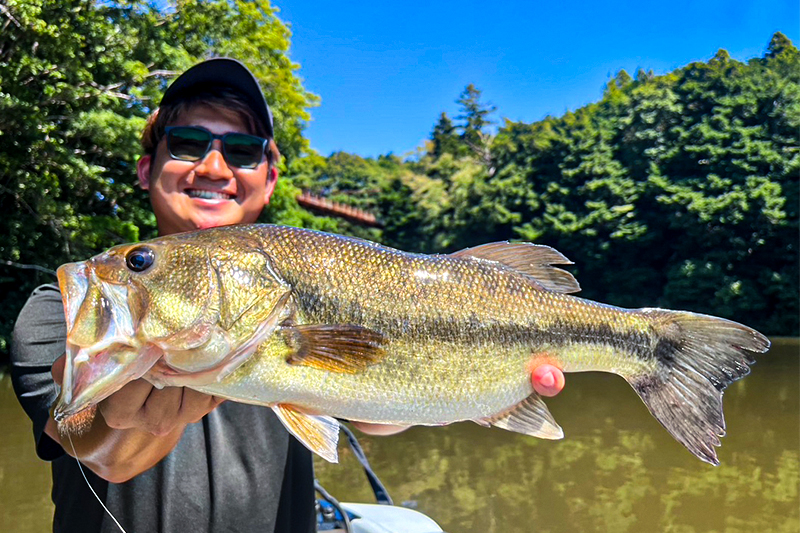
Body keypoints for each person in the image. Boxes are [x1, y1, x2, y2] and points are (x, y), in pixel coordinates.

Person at [11, 57, 565, 533]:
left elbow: (376, 414)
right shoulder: (63, 308)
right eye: (186, 144)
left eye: (244, 151)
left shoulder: (315, 284)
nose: (213, 166)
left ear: (270, 179)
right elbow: (95, 446)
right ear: (145, 168)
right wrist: (118, 425)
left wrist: (466, 389)